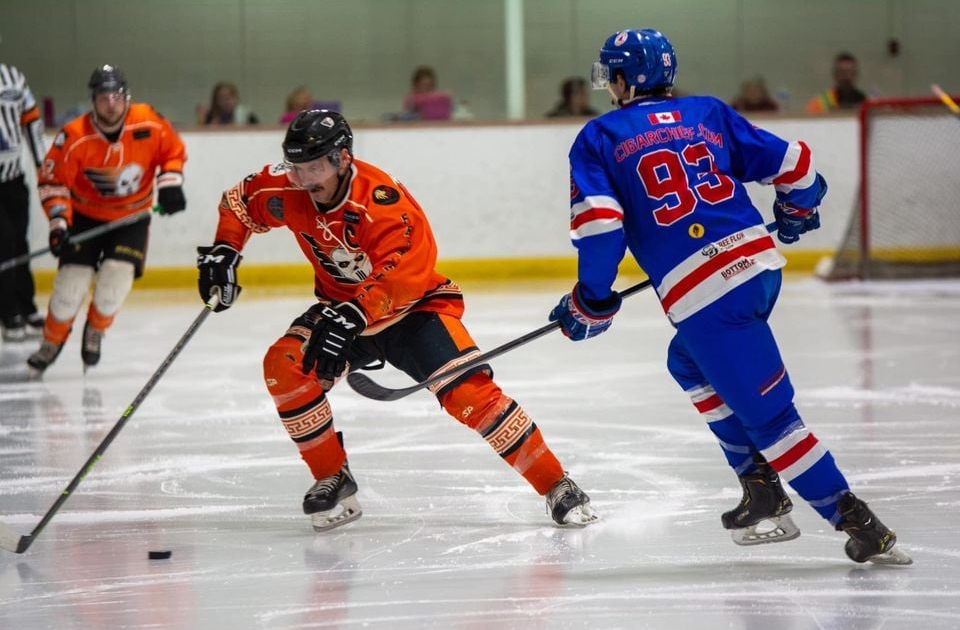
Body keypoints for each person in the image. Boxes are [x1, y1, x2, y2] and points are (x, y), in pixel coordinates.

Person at [550, 29, 910, 565]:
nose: (610, 87)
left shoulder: (600, 136)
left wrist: (591, 299)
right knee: (687, 362)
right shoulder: (708, 113)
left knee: (771, 418)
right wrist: (796, 209)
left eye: (612, 76)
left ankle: (856, 520)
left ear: (622, 79)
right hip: (759, 270)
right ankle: (759, 488)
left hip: (709, 296)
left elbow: (602, 225)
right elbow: (797, 167)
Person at [196, 109, 595, 532]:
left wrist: (355, 313)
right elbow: (239, 202)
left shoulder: (379, 202)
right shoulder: (289, 188)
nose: (305, 180)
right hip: (344, 311)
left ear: (342, 159)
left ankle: (556, 484)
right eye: (297, 168)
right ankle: (332, 475)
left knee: (470, 395)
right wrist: (225, 251)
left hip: (415, 311)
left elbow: (408, 272)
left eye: (314, 168)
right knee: (285, 366)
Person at [27, 64, 187, 376]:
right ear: (93, 100)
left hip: (132, 217)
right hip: (85, 217)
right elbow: (53, 181)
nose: (111, 103)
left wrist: (170, 184)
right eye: (103, 97)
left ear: (127, 97)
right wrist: (59, 223)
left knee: (115, 280)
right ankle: (51, 341)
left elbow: (172, 152)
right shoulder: (73, 136)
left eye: (117, 95)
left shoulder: (148, 121)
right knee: (69, 287)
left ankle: (95, 330)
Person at [0, 62, 46, 342]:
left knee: (19, 242)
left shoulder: (14, 77)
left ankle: (25, 305)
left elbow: (31, 121)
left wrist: (44, 165)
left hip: (14, 179)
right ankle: (8, 312)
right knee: (3, 243)